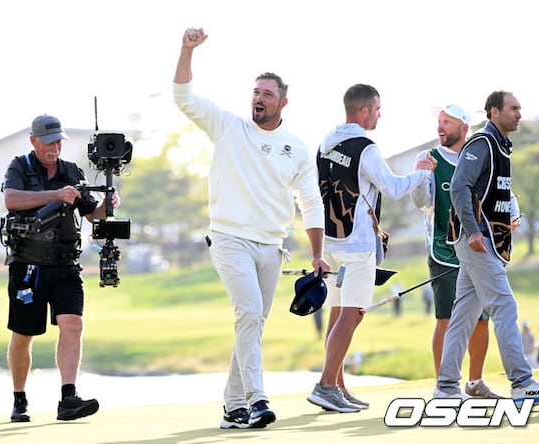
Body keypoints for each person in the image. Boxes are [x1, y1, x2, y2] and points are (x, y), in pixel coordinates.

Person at [173, 28, 329, 429]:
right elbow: (184, 98)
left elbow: (311, 202)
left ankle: (232, 406)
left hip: (272, 245)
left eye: (267, 94)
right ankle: (257, 399)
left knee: (253, 322)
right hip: (229, 239)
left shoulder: (297, 147)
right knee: (248, 313)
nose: (259, 98)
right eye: (256, 92)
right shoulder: (228, 126)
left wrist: (317, 253)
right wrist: (187, 50)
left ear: (282, 102)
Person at [307, 83, 436, 413]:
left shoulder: (326, 142)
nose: (379, 115)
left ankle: (337, 386)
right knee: (352, 315)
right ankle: (325, 385)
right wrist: (421, 174)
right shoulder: (366, 148)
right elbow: (393, 188)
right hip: (357, 245)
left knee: (338, 313)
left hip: (331, 241)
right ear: (364, 111)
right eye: (377, 109)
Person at [434, 91, 539, 405]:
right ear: (494, 112)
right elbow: (459, 185)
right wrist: (474, 231)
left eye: (520, 108)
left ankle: (446, 387)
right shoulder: (483, 143)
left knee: (464, 314)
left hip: (482, 240)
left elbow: (489, 194)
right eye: (513, 108)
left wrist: (506, 216)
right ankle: (522, 383)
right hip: (476, 241)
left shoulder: (499, 146)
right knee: (504, 305)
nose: (519, 114)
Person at [1, 114, 120, 422]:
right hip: (27, 265)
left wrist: (107, 206)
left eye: (58, 142)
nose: (54, 148)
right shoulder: (20, 166)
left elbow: (92, 214)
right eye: (48, 142)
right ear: (33, 141)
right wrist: (55, 194)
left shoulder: (71, 171)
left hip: (65, 264)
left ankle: (68, 398)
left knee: (72, 324)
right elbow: (11, 199)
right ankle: (19, 399)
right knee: (23, 334)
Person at [411, 104, 505, 398]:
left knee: (481, 319)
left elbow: (498, 192)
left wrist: (510, 215)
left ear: (464, 127)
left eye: (447, 122)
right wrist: (420, 175)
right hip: (444, 249)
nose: (441, 127)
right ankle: (445, 385)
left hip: (478, 248)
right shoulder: (429, 158)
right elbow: (420, 202)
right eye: (439, 122)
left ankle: (475, 382)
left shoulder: (480, 154)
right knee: (446, 319)